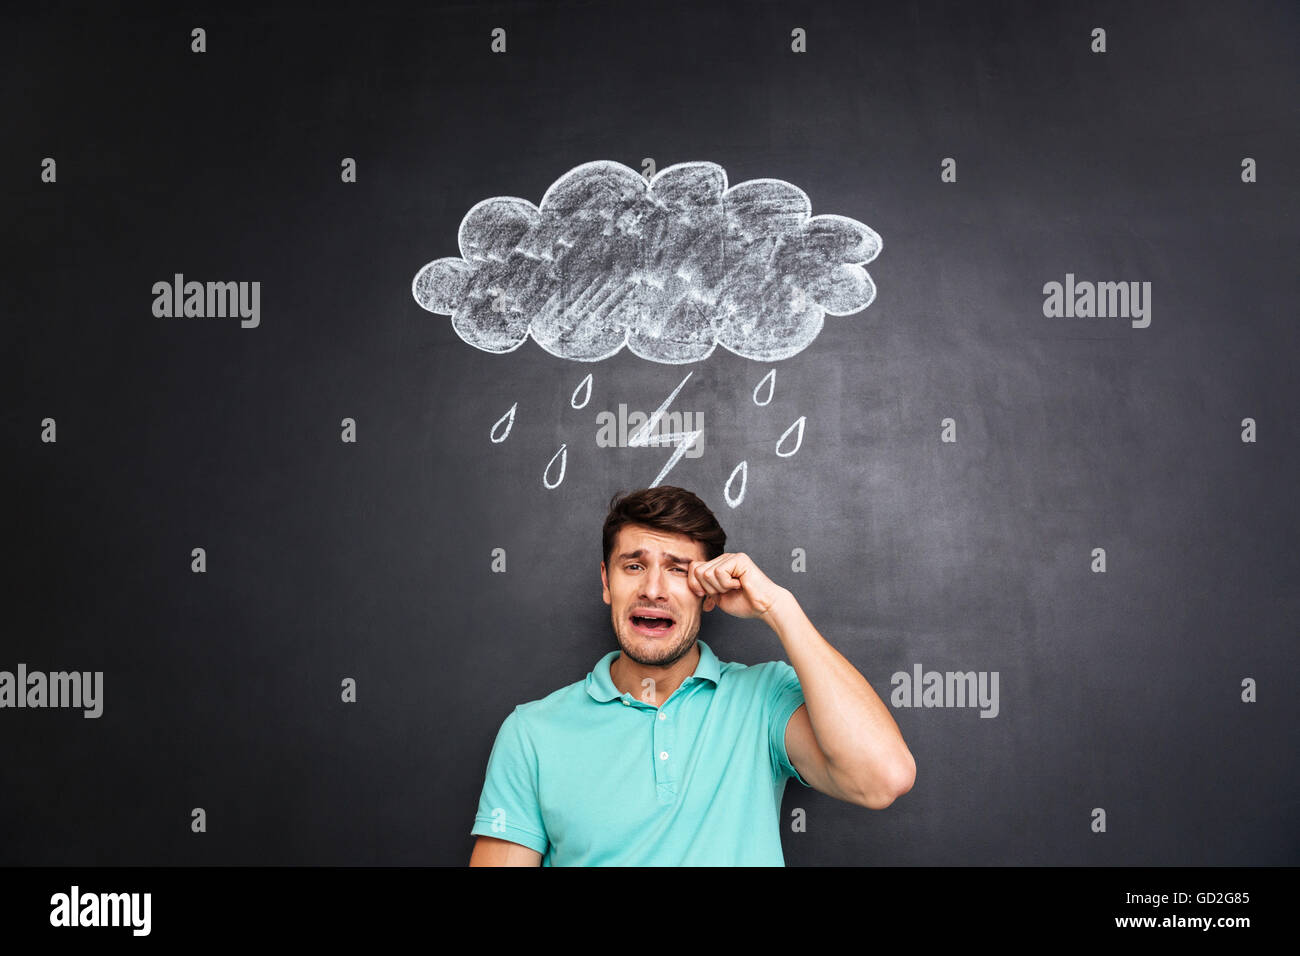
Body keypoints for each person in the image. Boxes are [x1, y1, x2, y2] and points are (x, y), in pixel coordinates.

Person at [468, 485, 915, 865]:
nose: (654, 589)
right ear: (607, 582)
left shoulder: (764, 700)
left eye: (678, 570)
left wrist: (779, 608)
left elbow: (884, 779)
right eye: (634, 565)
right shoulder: (531, 733)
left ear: (709, 594)